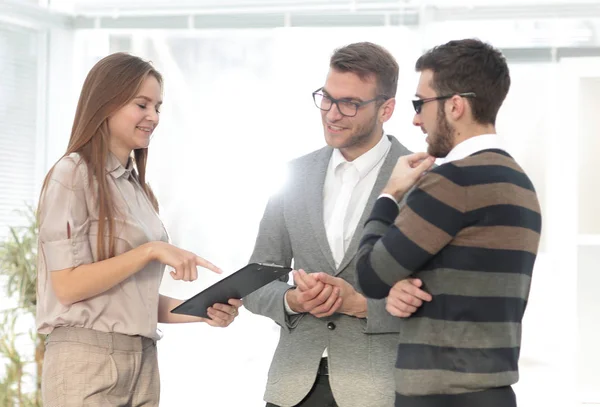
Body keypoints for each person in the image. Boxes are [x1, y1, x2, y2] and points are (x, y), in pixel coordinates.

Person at [36, 52, 242, 407]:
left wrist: (201, 311)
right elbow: (67, 287)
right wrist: (149, 251)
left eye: (158, 107)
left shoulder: (139, 190)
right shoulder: (72, 175)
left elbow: (131, 300)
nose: (154, 117)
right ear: (106, 103)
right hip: (86, 362)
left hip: (143, 361)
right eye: (142, 105)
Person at [356, 38, 542, 407]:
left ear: (455, 105)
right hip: (494, 392)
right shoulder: (520, 184)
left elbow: (370, 276)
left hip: (439, 396)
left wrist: (389, 194)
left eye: (420, 103)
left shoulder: (452, 182)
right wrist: (402, 290)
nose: (415, 118)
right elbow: (457, 278)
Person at [243, 42, 428, 407]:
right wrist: (293, 300)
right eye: (326, 98)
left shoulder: (420, 178)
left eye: (350, 104)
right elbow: (256, 282)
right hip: (292, 389)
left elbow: (441, 301)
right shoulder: (294, 175)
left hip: (381, 391)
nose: (332, 114)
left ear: (386, 109)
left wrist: (359, 304)